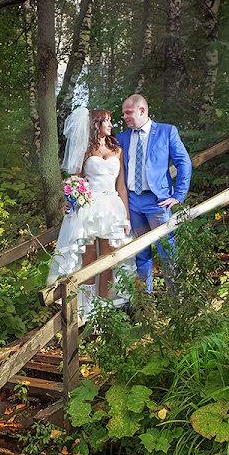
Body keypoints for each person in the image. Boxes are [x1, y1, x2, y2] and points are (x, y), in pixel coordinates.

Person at [47, 107, 133, 318]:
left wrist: (127, 217)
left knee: (108, 259)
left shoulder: (117, 150)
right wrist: (70, 202)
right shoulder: (85, 151)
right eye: (107, 121)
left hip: (112, 208)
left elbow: (121, 186)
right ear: (97, 124)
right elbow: (74, 182)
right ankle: (84, 312)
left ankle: (102, 310)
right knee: (89, 260)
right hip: (89, 208)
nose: (111, 125)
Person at [116, 94, 192, 292]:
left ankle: (176, 301)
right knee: (140, 253)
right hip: (132, 202)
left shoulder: (167, 132)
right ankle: (145, 305)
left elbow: (183, 162)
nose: (124, 116)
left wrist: (178, 195)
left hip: (158, 202)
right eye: (123, 113)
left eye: (128, 112)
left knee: (167, 251)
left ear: (142, 110)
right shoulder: (122, 138)